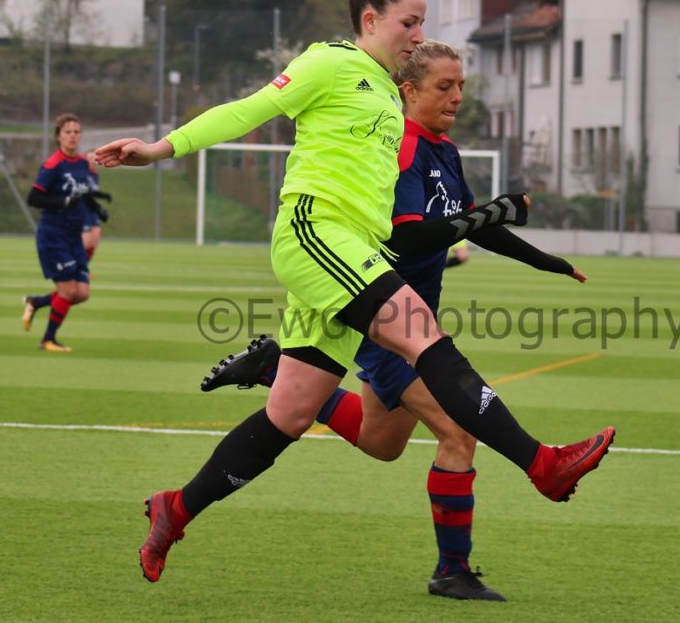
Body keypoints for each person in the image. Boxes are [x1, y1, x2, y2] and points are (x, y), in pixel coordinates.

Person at [94, 0, 615, 587]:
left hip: (352, 251)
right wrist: (158, 148)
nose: (418, 34)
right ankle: (543, 463)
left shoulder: (386, 92)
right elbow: (247, 109)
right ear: (370, 20)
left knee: (290, 413)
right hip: (317, 231)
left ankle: (176, 506)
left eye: (422, 22)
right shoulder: (328, 63)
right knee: (421, 331)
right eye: (409, 22)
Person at [200, 40, 589, 602]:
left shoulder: (445, 152)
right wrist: (493, 211)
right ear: (407, 91)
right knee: (458, 432)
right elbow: (410, 235)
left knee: (382, 442)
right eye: (443, 87)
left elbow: (472, 225)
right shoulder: (400, 150)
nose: (456, 97)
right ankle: (452, 570)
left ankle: (268, 367)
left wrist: (545, 261)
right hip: (385, 320)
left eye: (460, 87)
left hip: (412, 318)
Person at [21, 113, 108, 352]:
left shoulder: (81, 164)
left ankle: (36, 302)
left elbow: (84, 195)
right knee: (69, 290)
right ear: (58, 136)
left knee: (82, 293)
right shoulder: (53, 164)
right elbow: (34, 197)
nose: (73, 136)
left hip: (73, 235)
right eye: (68, 131)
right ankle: (48, 339)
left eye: (77, 131)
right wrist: (62, 202)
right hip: (53, 236)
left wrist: (98, 210)